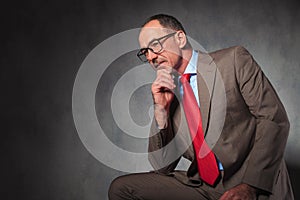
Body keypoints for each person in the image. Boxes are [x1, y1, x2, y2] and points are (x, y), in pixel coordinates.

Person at [108, 14, 294, 200]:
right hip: (203, 185)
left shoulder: (233, 61)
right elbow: (161, 167)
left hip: (249, 177)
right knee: (121, 189)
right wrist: (161, 111)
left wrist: (250, 186)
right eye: (145, 52)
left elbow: (274, 119)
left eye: (155, 45)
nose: (150, 57)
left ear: (180, 38)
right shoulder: (166, 93)